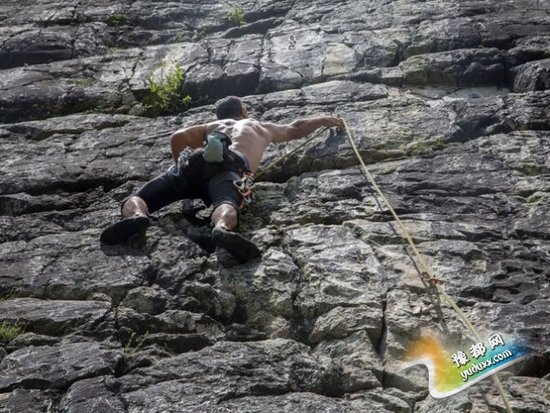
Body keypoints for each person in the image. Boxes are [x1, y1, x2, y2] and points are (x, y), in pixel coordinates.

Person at [101, 96, 345, 262]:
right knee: (227, 202)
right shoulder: (257, 126)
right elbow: (295, 128)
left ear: (221, 115)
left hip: (196, 162)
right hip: (230, 167)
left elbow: (178, 137)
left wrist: (179, 169)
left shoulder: (213, 125)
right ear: (244, 112)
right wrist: (324, 119)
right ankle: (220, 228)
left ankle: (137, 216)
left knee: (140, 197)